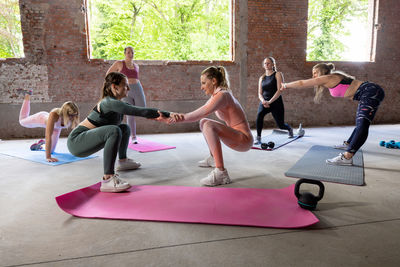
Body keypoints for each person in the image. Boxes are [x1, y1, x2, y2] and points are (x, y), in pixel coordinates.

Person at [67, 72, 172, 193]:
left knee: (124, 128)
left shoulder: (118, 104)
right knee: (114, 130)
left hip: (84, 140)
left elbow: (144, 113)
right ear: (114, 87)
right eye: (125, 85)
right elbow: (141, 112)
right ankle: (108, 179)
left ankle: (123, 161)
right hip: (76, 142)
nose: (128, 88)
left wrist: (164, 116)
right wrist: (170, 114)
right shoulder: (108, 102)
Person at [281, 63, 385, 165]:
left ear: (322, 71)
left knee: (362, 124)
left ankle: (347, 157)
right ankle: (348, 144)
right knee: (360, 122)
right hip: (368, 92)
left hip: (370, 91)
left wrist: (285, 85)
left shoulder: (329, 78)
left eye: (315, 73)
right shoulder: (331, 79)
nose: (313, 76)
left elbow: (302, 83)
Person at [168, 66, 253, 186]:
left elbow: (199, 113)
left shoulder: (223, 95)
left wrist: (178, 118)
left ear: (214, 81)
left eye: (204, 83)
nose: (201, 87)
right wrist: (178, 116)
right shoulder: (217, 95)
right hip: (236, 137)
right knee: (204, 122)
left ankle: (221, 173)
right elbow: (199, 112)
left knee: (208, 124)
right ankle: (213, 158)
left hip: (244, 139)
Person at [17, 88, 79, 162]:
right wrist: (48, 157)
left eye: (74, 115)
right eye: (71, 115)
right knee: (22, 121)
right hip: (41, 119)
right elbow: (48, 135)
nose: (73, 117)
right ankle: (27, 95)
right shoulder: (54, 114)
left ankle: (40, 144)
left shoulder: (74, 117)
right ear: (65, 113)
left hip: (56, 128)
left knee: (51, 151)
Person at [106, 46, 146, 144]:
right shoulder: (119, 63)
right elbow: (108, 74)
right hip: (125, 89)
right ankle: (133, 137)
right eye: (128, 52)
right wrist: (115, 86)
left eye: (132, 52)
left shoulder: (137, 66)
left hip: (137, 87)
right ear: (125, 53)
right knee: (130, 113)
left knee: (142, 108)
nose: (130, 54)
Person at [254, 57, 293, 144]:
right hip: (264, 102)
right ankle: (258, 137)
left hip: (276, 102)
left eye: (268, 63)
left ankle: (289, 129)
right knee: (259, 115)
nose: (266, 64)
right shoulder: (261, 78)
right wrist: (263, 101)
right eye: (265, 63)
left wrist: (270, 102)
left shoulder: (278, 74)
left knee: (281, 125)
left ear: (273, 64)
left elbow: (279, 90)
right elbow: (259, 93)